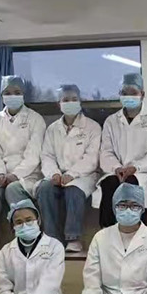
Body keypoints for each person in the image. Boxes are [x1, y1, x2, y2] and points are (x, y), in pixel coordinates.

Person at [0, 75, 44, 253]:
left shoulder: (35, 119)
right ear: (2, 95)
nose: (12, 96)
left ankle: (27, 235)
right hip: (1, 173)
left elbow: (34, 153)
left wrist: (16, 174)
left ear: (24, 94)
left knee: (13, 188)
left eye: (17, 92)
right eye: (8, 93)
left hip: (28, 173)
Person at [37, 83, 101, 253]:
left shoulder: (93, 127)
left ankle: (73, 238)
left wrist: (72, 174)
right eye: (66, 100)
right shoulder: (52, 129)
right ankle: (52, 238)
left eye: (74, 99)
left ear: (80, 101)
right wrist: (54, 174)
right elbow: (47, 155)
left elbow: (92, 157)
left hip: (84, 175)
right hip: (58, 174)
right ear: (59, 104)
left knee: (73, 190)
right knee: (44, 188)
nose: (70, 103)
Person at [97, 72, 147, 227]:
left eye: (133, 93)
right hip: (117, 171)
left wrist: (135, 167)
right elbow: (106, 151)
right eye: (124, 93)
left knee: (132, 184)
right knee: (109, 183)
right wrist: (116, 168)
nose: (128, 97)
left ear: (142, 94)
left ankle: (137, 229)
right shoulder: (111, 121)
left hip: (144, 172)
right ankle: (107, 231)